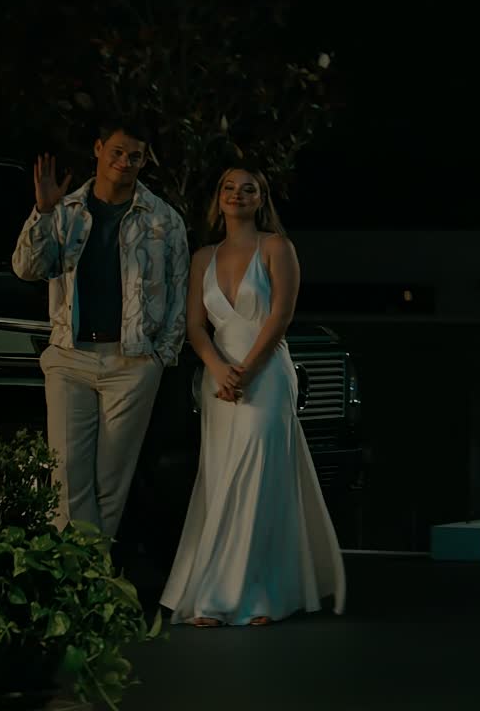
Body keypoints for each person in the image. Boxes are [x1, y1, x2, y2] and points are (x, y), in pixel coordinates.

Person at [159, 167, 347, 627]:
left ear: (261, 199)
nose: (237, 195)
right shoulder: (203, 257)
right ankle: (214, 592)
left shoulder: (277, 248)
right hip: (218, 378)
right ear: (218, 197)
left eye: (249, 189)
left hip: (266, 377)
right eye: (229, 187)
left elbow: (281, 316)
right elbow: (195, 326)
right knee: (221, 476)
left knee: (257, 475)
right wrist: (220, 369)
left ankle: (256, 594)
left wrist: (246, 371)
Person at [11, 121, 190, 547]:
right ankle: (79, 571)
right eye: (117, 152)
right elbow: (27, 268)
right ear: (98, 149)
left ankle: (89, 575)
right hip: (70, 356)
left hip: (132, 360)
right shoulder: (66, 210)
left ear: (144, 161)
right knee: (66, 473)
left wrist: (159, 357)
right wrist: (43, 212)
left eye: (135, 156)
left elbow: (179, 292)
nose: (124, 162)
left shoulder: (163, 219)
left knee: (111, 482)